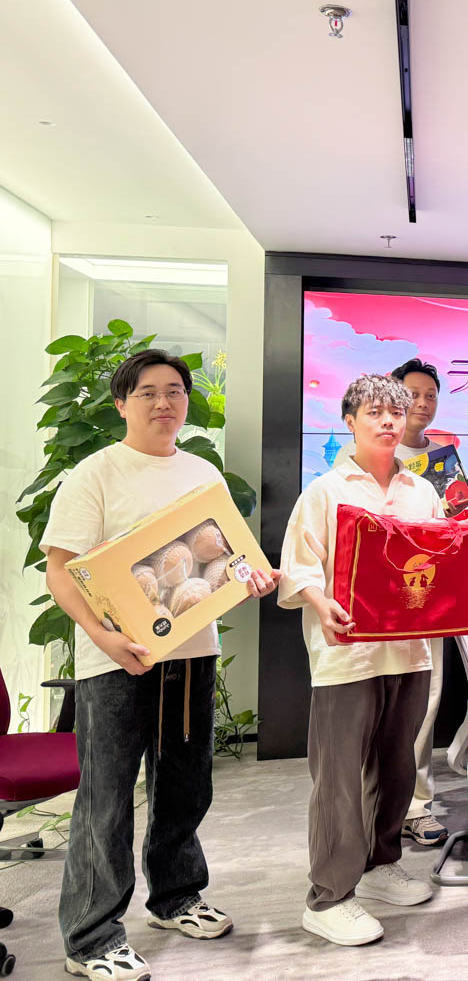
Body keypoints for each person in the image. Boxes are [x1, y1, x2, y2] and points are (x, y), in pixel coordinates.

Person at [41, 349, 278, 981]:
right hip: (116, 659)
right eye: (147, 392)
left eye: (174, 390)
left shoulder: (202, 473)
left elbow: (225, 559)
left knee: (185, 784)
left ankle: (176, 897)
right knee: (108, 797)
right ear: (122, 403)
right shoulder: (95, 473)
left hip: (191, 655)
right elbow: (60, 570)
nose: (164, 402)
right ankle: (91, 937)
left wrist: (250, 579)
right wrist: (102, 635)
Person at [278, 374, 442, 947]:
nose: (389, 421)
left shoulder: (422, 492)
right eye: (375, 412)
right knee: (341, 778)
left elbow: (437, 561)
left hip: (410, 651)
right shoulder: (325, 492)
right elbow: (299, 567)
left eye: (396, 412)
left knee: (398, 768)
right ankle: (328, 897)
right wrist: (319, 601)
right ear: (350, 421)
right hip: (347, 654)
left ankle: (379, 865)